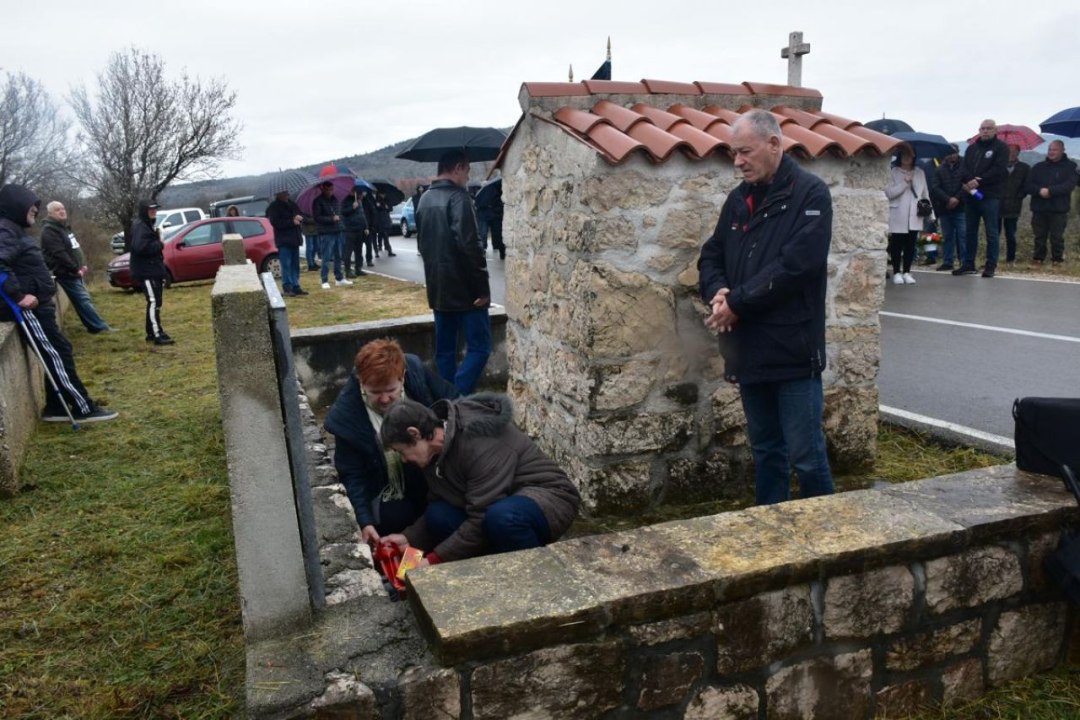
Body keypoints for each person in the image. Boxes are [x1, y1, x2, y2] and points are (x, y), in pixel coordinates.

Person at [697, 109, 834, 506]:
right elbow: (712, 254)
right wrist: (719, 291)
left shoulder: (811, 194)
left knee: (807, 458)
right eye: (733, 154)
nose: (737, 162)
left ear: (774, 144)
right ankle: (770, 530)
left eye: (745, 152)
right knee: (766, 452)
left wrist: (736, 303)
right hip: (748, 350)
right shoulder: (738, 200)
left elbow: (796, 266)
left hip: (793, 351)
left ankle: (828, 536)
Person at [378, 394, 581, 564]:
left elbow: (482, 515)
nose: (404, 460)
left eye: (402, 451)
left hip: (547, 498)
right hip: (497, 505)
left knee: (502, 517)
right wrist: (409, 539)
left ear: (414, 434)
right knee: (438, 515)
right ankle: (494, 568)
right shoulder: (432, 456)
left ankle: (535, 575)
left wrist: (432, 560)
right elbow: (442, 504)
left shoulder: (477, 440)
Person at [0, 184, 118, 422]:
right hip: (29, 310)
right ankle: (82, 407)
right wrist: (20, 296)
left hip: (40, 306)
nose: (35, 210)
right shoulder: (5, 232)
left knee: (57, 351)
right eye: (31, 206)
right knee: (58, 353)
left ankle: (57, 406)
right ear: (16, 205)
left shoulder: (14, 231)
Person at [324, 339, 459, 543]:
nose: (385, 399)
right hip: (388, 490)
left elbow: (456, 404)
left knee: (443, 514)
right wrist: (364, 520)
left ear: (402, 377)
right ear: (361, 383)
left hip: (435, 476)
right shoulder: (346, 419)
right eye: (375, 393)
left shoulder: (416, 372)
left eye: (391, 390)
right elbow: (352, 474)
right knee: (395, 518)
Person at [415, 150, 492, 395]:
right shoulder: (459, 198)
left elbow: (422, 246)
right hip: (466, 291)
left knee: (445, 351)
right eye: (468, 170)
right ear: (457, 167)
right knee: (480, 347)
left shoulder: (424, 199)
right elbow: (470, 246)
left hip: (438, 289)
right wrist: (482, 288)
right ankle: (457, 397)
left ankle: (447, 401)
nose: (468, 176)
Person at [39, 201, 114, 333]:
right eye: (57, 210)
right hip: (66, 272)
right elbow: (59, 253)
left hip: (74, 270)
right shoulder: (49, 230)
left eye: (63, 208)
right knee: (83, 300)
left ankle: (94, 325)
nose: (62, 211)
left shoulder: (62, 227)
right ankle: (99, 327)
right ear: (49, 213)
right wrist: (75, 269)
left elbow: (74, 248)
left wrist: (83, 264)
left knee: (83, 299)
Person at [954, 119, 1009, 278]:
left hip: (990, 195)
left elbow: (999, 169)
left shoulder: (1001, 148)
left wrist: (979, 180)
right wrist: (967, 182)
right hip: (971, 195)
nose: (985, 131)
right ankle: (968, 263)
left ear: (995, 130)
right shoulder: (972, 148)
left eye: (988, 128)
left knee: (991, 232)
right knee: (970, 231)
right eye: (982, 128)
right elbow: (964, 168)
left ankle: (991, 265)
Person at [1026, 139, 1079, 268]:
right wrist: (1039, 191)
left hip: (1059, 208)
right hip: (1039, 207)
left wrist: (1051, 191)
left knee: (1057, 236)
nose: (1051, 152)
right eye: (1050, 149)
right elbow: (1028, 186)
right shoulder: (1038, 167)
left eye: (1054, 150)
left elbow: (1069, 185)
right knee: (1039, 236)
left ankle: (1057, 260)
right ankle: (1038, 259)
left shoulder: (1070, 167)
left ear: (1062, 150)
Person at [129, 199, 174, 345]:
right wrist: (159, 243)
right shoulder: (141, 227)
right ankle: (156, 334)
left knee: (155, 302)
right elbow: (140, 248)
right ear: (144, 211)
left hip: (153, 269)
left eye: (155, 209)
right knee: (154, 302)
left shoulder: (147, 225)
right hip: (147, 271)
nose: (153, 212)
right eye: (150, 209)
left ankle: (151, 332)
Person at [885, 145, 930, 285]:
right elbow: (889, 193)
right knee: (897, 245)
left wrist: (931, 213)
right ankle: (897, 272)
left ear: (914, 157)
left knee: (911, 244)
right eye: (904, 154)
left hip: (915, 214)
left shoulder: (920, 172)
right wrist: (905, 183)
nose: (906, 157)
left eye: (910, 155)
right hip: (898, 213)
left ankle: (907, 272)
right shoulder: (893, 172)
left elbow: (925, 194)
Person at [929, 144, 967, 271]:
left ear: (958, 152)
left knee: (963, 235)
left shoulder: (965, 166)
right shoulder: (937, 168)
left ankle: (965, 261)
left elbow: (968, 185)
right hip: (941, 206)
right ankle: (940, 259)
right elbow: (935, 187)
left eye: (954, 152)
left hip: (961, 207)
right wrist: (947, 199)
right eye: (949, 153)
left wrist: (957, 198)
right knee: (944, 235)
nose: (951, 155)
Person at [265, 191, 307, 297]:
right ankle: (287, 287)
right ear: (279, 194)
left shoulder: (292, 204)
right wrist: (291, 222)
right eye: (285, 193)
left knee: (295, 265)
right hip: (283, 240)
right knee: (286, 265)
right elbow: (275, 223)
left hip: (295, 239)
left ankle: (296, 286)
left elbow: (300, 214)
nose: (287, 194)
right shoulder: (273, 207)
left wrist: (299, 218)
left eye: (288, 192)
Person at [312, 181, 351, 290]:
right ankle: (324, 280)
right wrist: (331, 219)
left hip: (338, 230)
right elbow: (317, 217)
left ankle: (339, 278)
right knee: (326, 256)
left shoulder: (335, 200)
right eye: (327, 190)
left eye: (331, 189)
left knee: (338, 256)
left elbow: (340, 213)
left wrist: (339, 219)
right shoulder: (318, 201)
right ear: (323, 189)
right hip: (326, 232)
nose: (330, 192)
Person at [999, 144, 1030, 267]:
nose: (1011, 154)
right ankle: (992, 260)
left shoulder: (1024, 168)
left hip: (1014, 206)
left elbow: (1027, 185)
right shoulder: (998, 167)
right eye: (1009, 151)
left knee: (1011, 235)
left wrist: (1019, 196)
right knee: (994, 235)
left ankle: (1010, 260)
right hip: (997, 204)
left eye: (1014, 151)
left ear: (1018, 153)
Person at [340, 186, 369, 279]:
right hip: (350, 229)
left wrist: (366, 226)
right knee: (348, 251)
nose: (359, 194)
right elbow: (343, 212)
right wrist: (352, 207)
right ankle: (348, 271)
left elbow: (362, 214)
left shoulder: (359, 201)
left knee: (359, 251)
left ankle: (358, 269)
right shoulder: (346, 200)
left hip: (359, 229)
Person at [374, 191, 395, 257]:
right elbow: (377, 208)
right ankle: (385, 248)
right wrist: (383, 207)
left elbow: (390, 208)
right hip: (379, 220)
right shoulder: (377, 201)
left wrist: (386, 207)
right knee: (382, 235)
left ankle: (386, 248)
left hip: (386, 220)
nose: (383, 195)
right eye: (381, 193)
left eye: (383, 193)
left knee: (385, 235)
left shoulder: (387, 200)